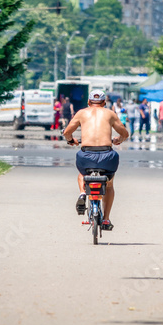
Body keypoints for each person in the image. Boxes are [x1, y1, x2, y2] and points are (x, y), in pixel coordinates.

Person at [63, 89, 129, 231]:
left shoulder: (81, 113)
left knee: (82, 174)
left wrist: (71, 141)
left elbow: (67, 132)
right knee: (109, 184)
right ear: (104, 102)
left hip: (86, 155)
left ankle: (82, 193)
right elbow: (125, 133)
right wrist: (118, 139)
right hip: (107, 155)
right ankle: (105, 219)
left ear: (88, 102)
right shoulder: (110, 114)